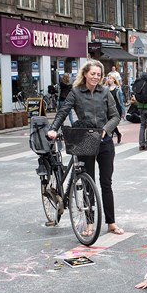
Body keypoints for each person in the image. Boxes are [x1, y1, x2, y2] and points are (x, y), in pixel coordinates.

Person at [47, 59, 124, 235]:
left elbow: (115, 116)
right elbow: (63, 112)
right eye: (93, 74)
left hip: (104, 141)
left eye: (99, 74)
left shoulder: (105, 92)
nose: (96, 77)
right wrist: (53, 129)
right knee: (89, 183)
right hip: (85, 140)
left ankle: (111, 223)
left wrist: (106, 130)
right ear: (85, 74)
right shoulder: (76, 92)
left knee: (106, 183)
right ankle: (90, 224)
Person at [105, 72, 125, 144]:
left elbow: (121, 101)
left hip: (117, 109)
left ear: (114, 80)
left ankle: (109, 139)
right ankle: (118, 134)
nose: (109, 80)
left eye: (110, 78)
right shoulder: (105, 89)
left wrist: (123, 112)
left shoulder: (118, 89)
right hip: (108, 109)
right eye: (108, 78)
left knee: (113, 123)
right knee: (111, 123)